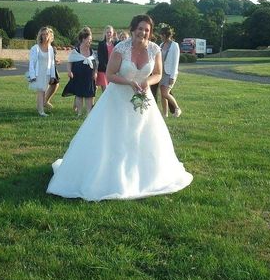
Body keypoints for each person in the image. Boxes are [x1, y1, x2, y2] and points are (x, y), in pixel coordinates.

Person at [47, 15, 193, 201]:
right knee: (114, 136)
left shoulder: (154, 49)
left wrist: (146, 82)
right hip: (117, 99)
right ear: (133, 29)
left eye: (147, 30)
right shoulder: (121, 48)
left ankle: (142, 174)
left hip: (142, 98)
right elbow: (110, 74)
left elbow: (157, 73)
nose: (143, 32)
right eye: (140, 28)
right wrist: (129, 82)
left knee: (143, 136)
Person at [62, 27, 97, 116]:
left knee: (89, 95)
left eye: (91, 40)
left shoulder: (91, 51)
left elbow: (95, 63)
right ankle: (79, 113)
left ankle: (89, 113)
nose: (90, 41)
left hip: (89, 77)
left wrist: (95, 72)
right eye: (89, 39)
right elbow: (70, 61)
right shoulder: (76, 51)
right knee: (79, 95)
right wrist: (69, 71)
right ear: (83, 39)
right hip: (78, 76)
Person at [28, 27, 57, 117]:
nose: (44, 36)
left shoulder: (51, 48)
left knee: (44, 91)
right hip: (38, 73)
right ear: (40, 36)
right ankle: (41, 111)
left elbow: (52, 63)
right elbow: (31, 63)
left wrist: (53, 76)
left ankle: (41, 108)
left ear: (50, 36)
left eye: (46, 34)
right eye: (43, 34)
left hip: (47, 73)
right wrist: (32, 76)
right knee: (40, 91)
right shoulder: (35, 48)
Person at [158, 25, 182, 118]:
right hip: (162, 73)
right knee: (162, 95)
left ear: (164, 35)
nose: (160, 37)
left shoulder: (174, 45)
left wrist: (172, 77)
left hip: (170, 73)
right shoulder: (161, 45)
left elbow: (176, 62)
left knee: (165, 93)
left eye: (161, 35)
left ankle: (177, 108)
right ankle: (165, 114)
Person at [96, 25, 117, 92]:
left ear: (113, 33)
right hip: (103, 71)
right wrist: (107, 69)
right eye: (107, 32)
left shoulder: (116, 44)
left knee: (112, 91)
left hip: (113, 71)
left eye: (110, 32)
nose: (108, 34)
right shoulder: (101, 44)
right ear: (105, 33)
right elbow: (100, 58)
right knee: (105, 92)